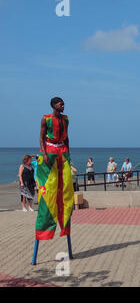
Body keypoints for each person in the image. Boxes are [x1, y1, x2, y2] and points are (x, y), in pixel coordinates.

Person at [35, 97, 74, 240]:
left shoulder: (66, 119)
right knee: (49, 188)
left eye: (63, 103)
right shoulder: (46, 119)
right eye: (60, 103)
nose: (63, 105)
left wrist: (68, 154)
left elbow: (67, 137)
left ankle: (65, 225)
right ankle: (45, 229)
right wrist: (44, 153)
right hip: (50, 151)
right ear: (53, 105)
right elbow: (41, 137)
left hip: (62, 151)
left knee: (66, 188)